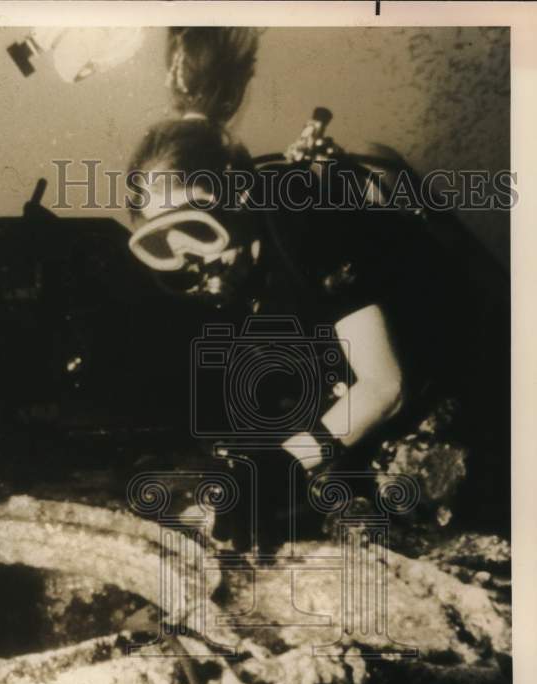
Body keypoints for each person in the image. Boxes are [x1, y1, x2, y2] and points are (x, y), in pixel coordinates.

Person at [124, 27, 502, 551]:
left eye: (198, 228)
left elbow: (383, 386)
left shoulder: (306, 226)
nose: (191, 262)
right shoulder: (206, 273)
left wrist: (287, 462)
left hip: (467, 359)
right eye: (160, 243)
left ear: (240, 204)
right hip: (361, 377)